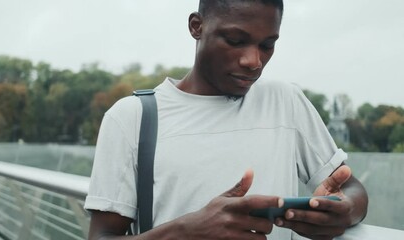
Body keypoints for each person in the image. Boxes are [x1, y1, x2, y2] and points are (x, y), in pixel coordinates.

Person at [84, 0, 368, 239]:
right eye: (235, 41)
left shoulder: (286, 101)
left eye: (267, 45)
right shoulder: (130, 118)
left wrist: (344, 209)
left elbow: (351, 189)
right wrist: (186, 231)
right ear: (197, 27)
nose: (254, 61)